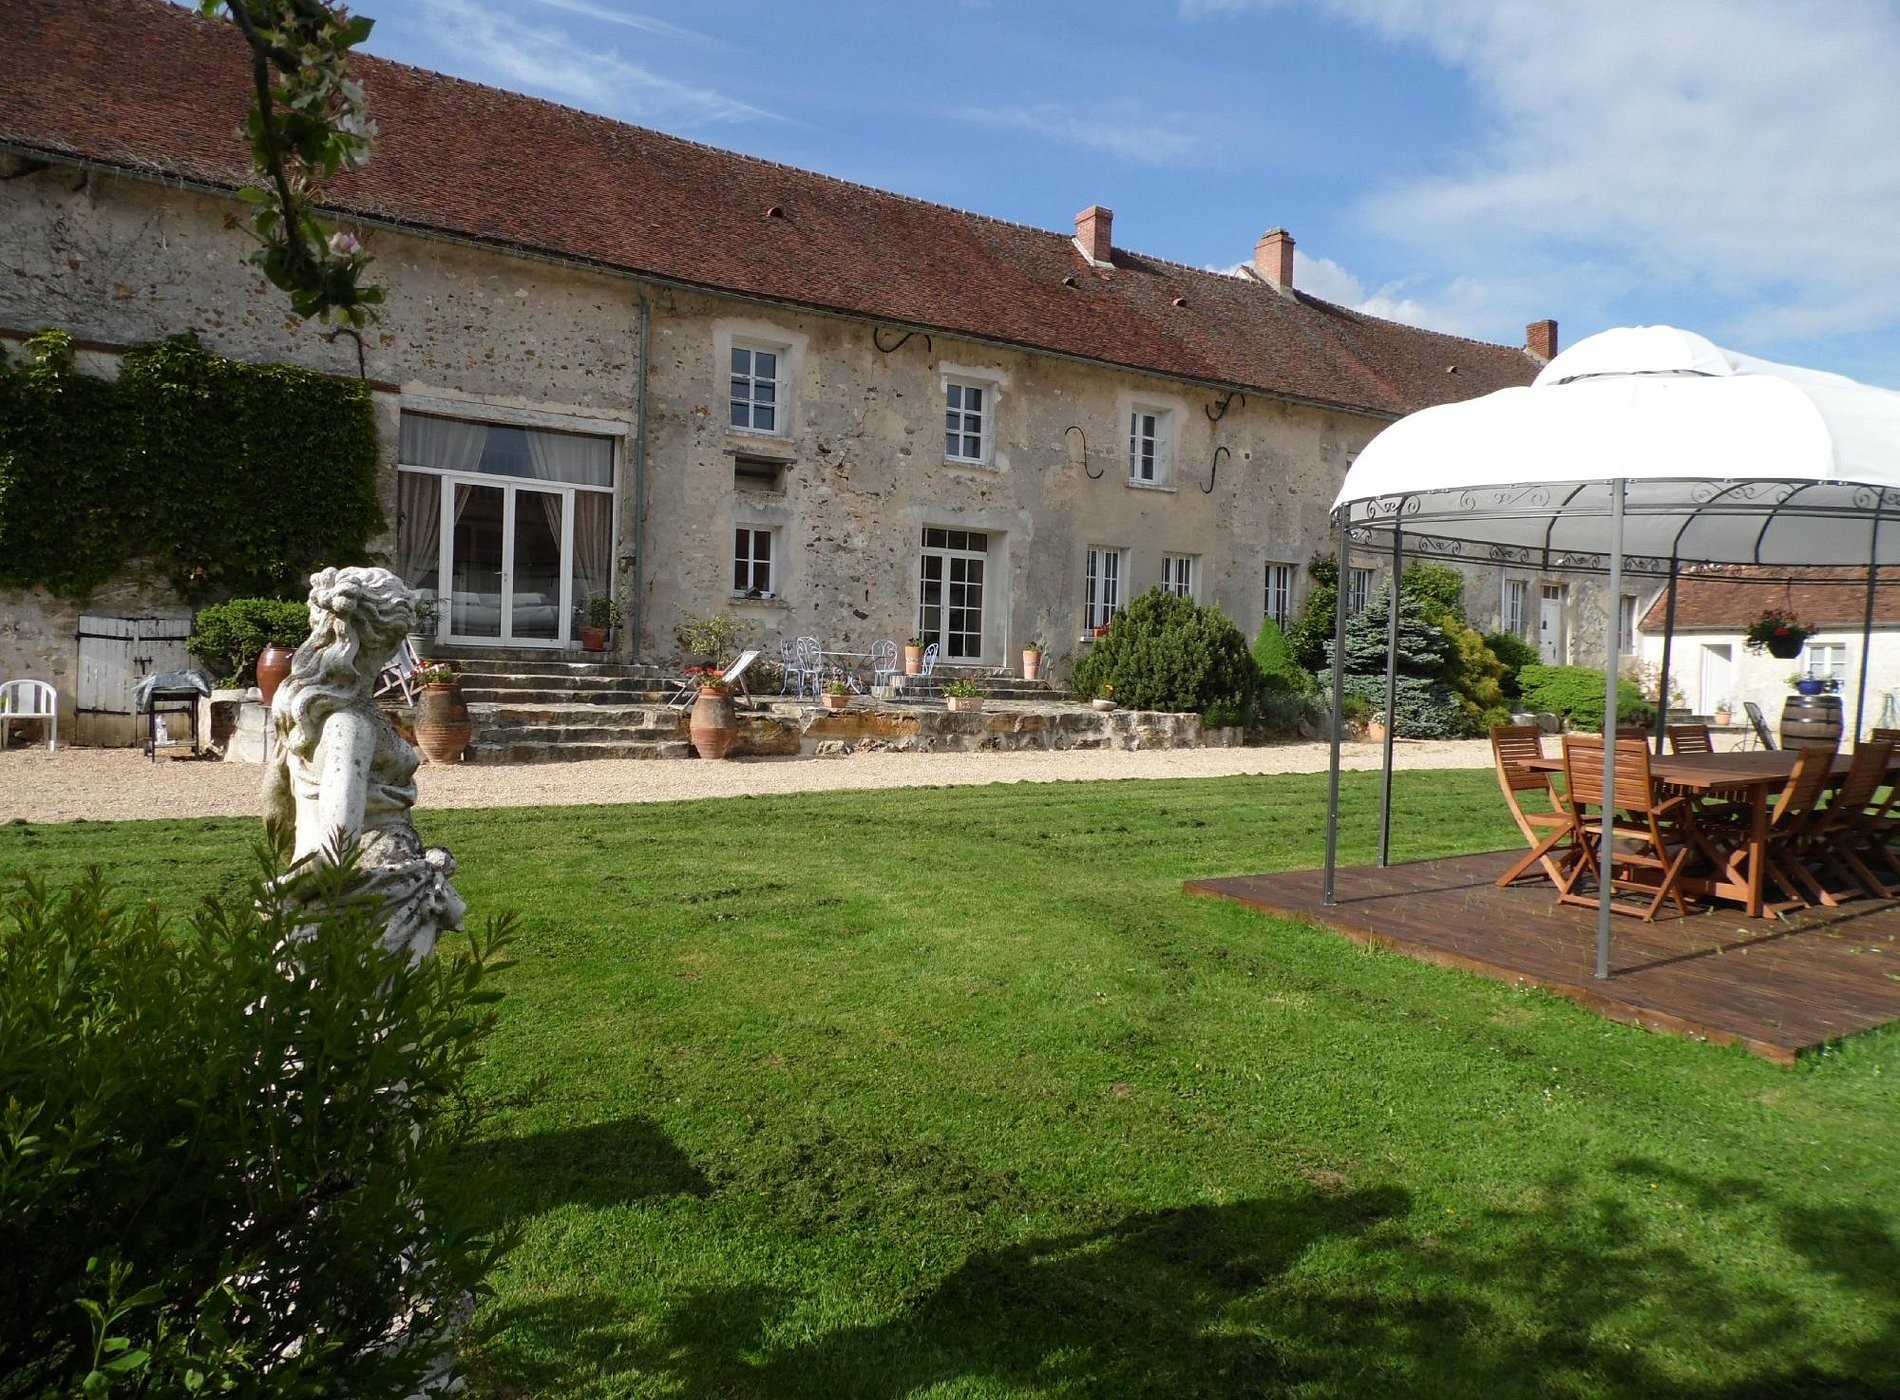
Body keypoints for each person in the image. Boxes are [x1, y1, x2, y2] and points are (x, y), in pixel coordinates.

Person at [263, 566, 463, 961]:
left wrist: (288, 872)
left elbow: (275, 808)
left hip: (361, 890)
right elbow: (338, 849)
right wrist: (289, 894)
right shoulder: (348, 725)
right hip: (378, 898)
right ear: (384, 639)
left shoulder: (314, 713)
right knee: (379, 1017)